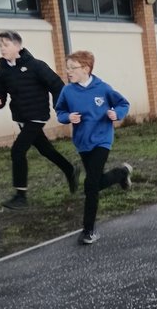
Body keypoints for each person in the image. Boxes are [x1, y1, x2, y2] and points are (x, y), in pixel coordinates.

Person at [0, 30, 79, 209]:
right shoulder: (2, 72)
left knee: (17, 151)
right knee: (45, 149)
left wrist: (59, 107)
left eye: (6, 45)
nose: (2, 48)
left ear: (18, 46)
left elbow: (57, 85)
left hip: (37, 116)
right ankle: (70, 169)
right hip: (21, 118)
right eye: (0, 45)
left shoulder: (36, 66)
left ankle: (20, 197)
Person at [54, 51, 132, 245]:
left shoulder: (102, 88)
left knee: (90, 184)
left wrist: (116, 114)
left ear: (86, 69)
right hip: (82, 143)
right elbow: (60, 111)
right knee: (94, 182)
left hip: (102, 140)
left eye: (72, 68)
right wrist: (67, 117)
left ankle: (88, 230)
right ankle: (121, 173)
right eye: (67, 68)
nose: (68, 71)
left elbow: (123, 103)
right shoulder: (67, 91)